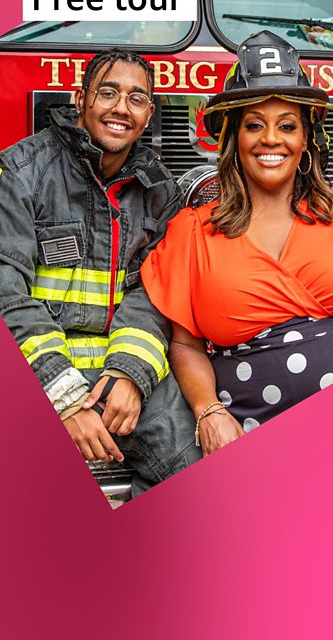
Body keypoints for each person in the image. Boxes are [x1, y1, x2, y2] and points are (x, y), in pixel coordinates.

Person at [141, 30, 333, 457]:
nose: (271, 140)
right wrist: (209, 412)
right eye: (254, 125)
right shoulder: (193, 232)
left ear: (306, 140)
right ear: (233, 140)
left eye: (287, 126)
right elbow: (185, 345)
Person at [0, 47, 201, 495]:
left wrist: (130, 374)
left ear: (148, 114)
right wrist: (64, 400)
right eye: (108, 93)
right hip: (35, 372)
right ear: (80, 98)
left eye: (135, 99)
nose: (120, 109)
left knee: (194, 470)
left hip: (122, 374)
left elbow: (153, 294)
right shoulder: (19, 172)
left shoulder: (160, 191)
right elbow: (6, 292)